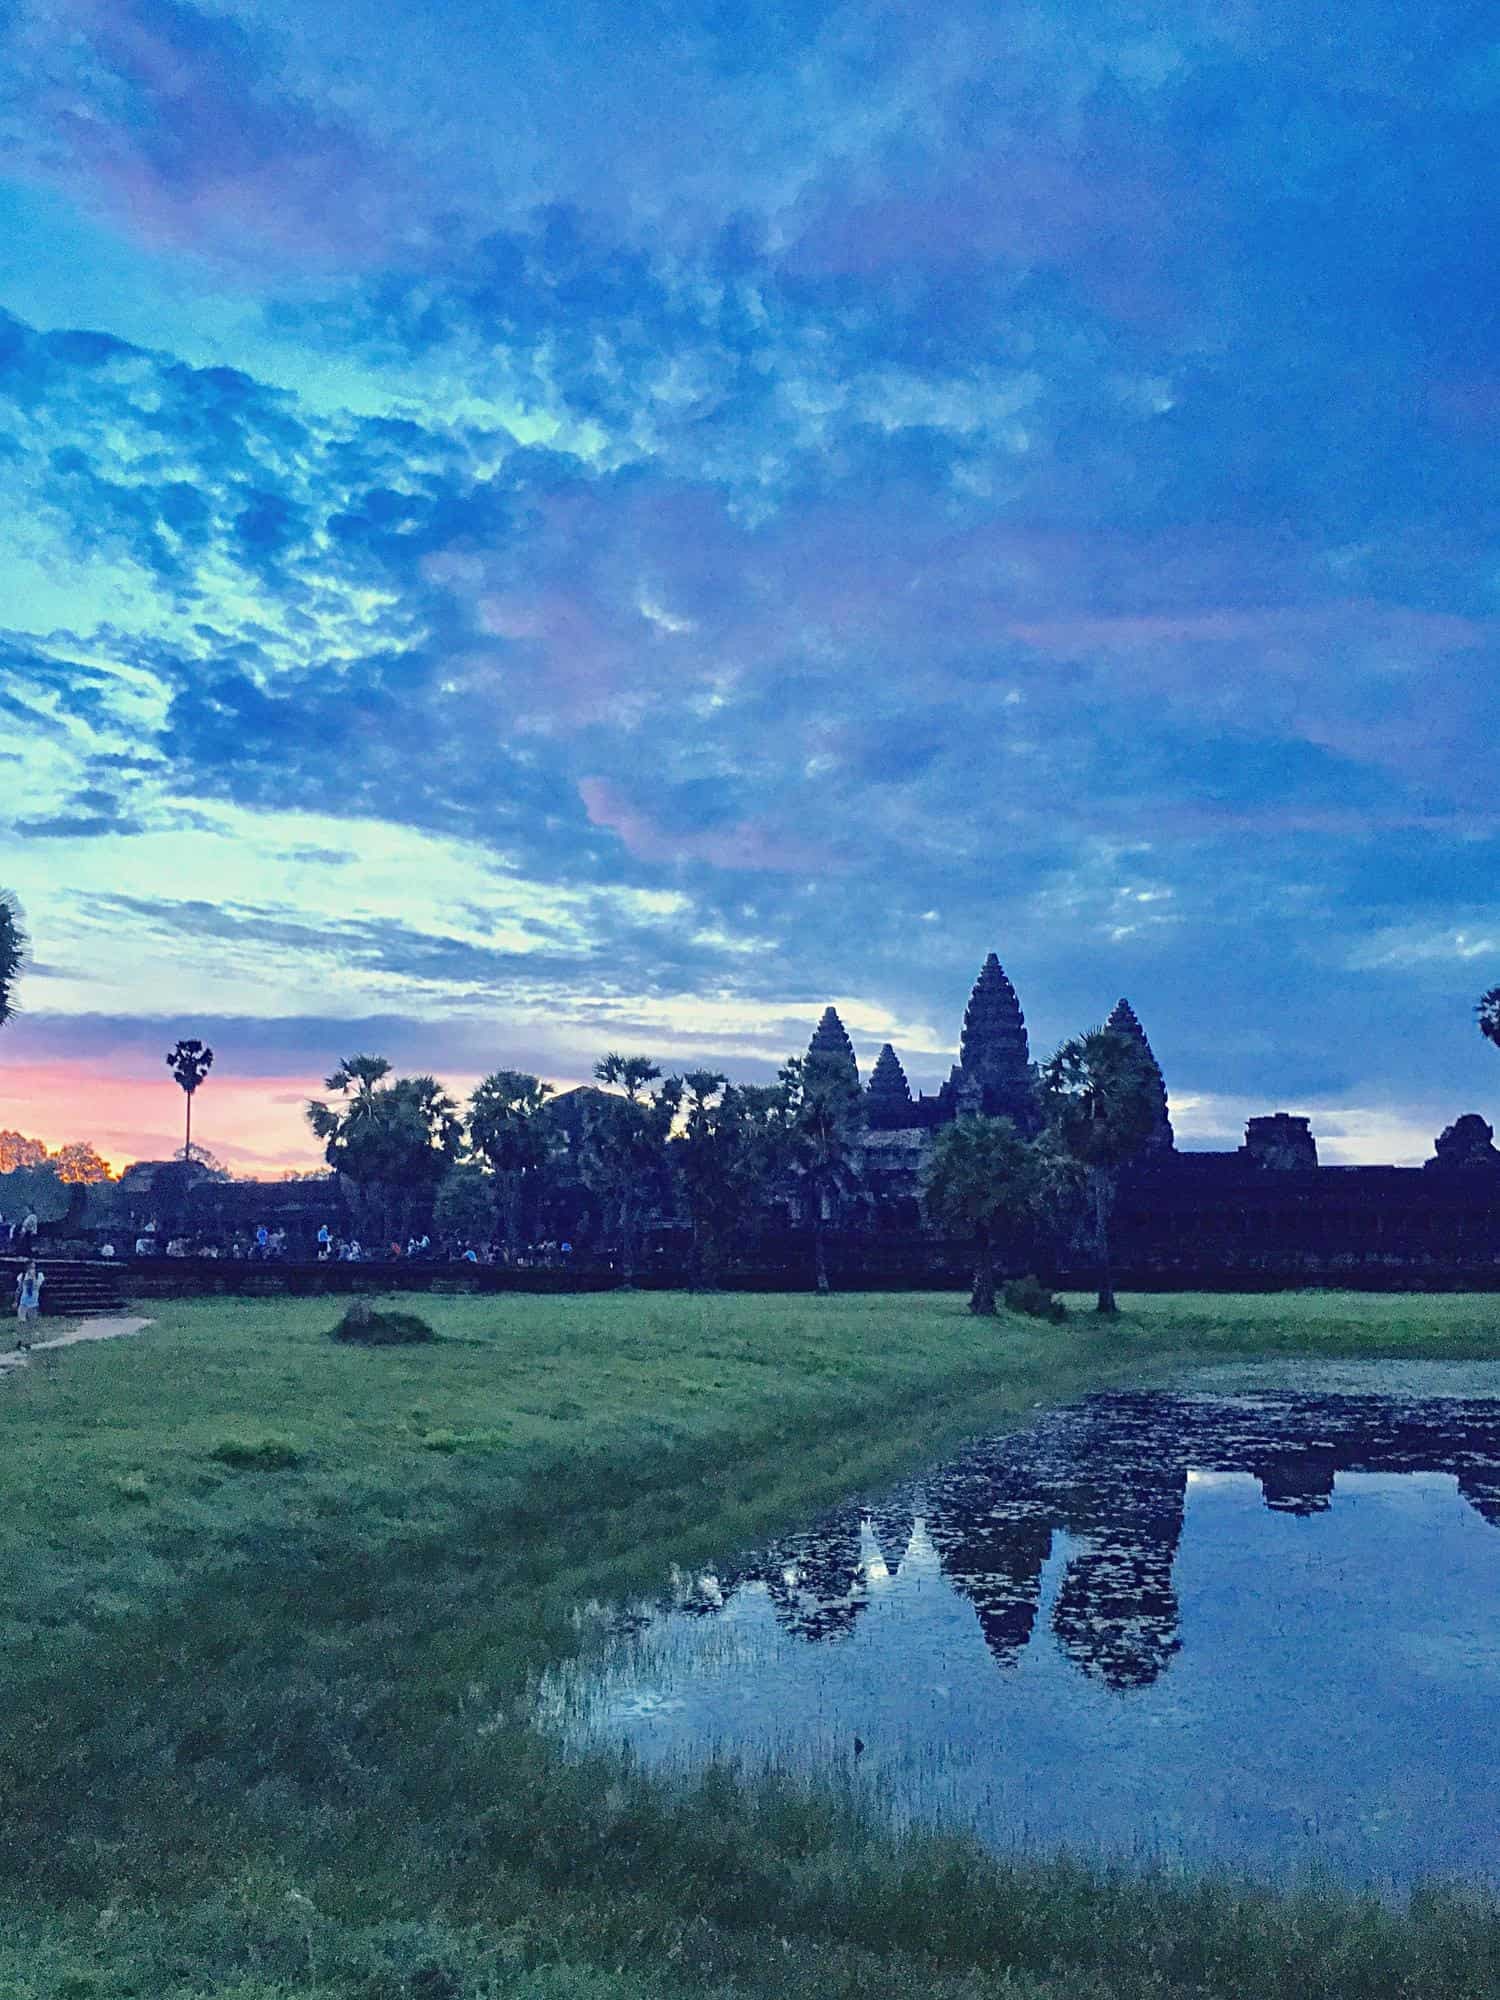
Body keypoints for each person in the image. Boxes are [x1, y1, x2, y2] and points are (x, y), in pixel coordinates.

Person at [14, 1260, 43, 1344]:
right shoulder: (22, 1276)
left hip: (33, 1304)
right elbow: (19, 1289)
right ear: (26, 1268)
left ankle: (27, 1341)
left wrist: (33, 1278)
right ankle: (20, 1341)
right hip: (23, 1303)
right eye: (30, 1267)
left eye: (34, 1267)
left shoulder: (39, 1276)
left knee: (31, 1324)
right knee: (21, 1322)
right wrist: (15, 1301)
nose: (32, 1269)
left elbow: (37, 1287)